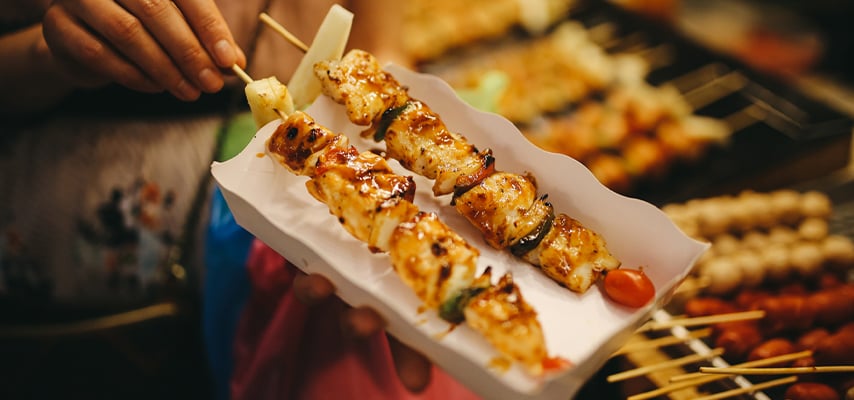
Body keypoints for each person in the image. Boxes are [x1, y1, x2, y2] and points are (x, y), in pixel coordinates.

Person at [0, 0, 479, 398]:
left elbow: (381, 44)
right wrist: (50, 51)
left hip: (304, 231)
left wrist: (395, 189)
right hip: (64, 247)